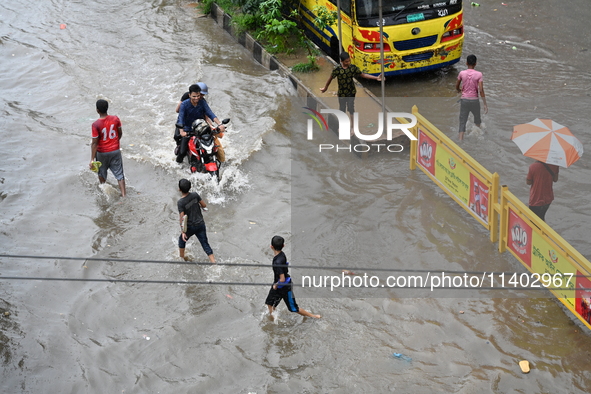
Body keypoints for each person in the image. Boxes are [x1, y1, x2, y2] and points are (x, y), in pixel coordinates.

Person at [265, 235, 321, 320]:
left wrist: (276, 285)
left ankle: (314, 316)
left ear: (271, 246)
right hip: (279, 285)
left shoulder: (277, 262)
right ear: (283, 246)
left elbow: (282, 279)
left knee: (293, 308)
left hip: (284, 286)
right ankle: (274, 320)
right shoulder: (281, 255)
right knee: (270, 303)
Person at [176, 84, 226, 163]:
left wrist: (220, 124)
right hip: (188, 129)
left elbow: (210, 113)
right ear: (189, 95)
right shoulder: (184, 104)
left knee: (216, 148)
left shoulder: (202, 102)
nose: (196, 98)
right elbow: (181, 118)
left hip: (201, 127)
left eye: (198, 96)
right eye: (194, 96)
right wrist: (182, 131)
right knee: (181, 153)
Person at [89, 99, 126, 197]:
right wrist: (115, 143)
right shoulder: (115, 119)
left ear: (97, 110)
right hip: (115, 151)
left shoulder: (95, 125)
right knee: (120, 175)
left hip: (102, 153)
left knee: (101, 173)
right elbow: (120, 133)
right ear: (107, 108)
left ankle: (104, 193)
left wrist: (92, 159)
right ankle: (124, 195)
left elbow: (94, 144)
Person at [177, 178, 216, 263]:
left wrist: (183, 232)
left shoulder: (181, 202)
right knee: (205, 244)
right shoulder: (195, 195)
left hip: (190, 227)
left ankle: (181, 258)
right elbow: (204, 205)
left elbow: (182, 217)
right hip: (200, 224)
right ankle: (214, 263)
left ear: (179, 189)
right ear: (190, 187)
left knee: (181, 241)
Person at [455, 54, 488, 141]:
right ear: (475, 64)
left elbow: (457, 85)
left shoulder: (462, 73)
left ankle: (460, 141)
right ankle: (479, 138)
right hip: (475, 101)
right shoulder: (479, 74)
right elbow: (481, 90)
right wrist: (485, 104)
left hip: (464, 100)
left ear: (466, 63)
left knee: (462, 122)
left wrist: (459, 90)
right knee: (477, 121)